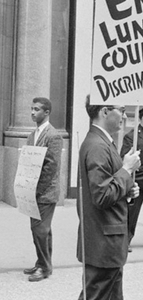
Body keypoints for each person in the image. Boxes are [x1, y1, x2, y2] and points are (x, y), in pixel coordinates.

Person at [77, 95, 141, 300]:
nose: (124, 116)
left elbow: (105, 187)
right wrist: (126, 169)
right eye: (121, 110)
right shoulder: (98, 145)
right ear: (105, 111)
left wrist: (126, 191)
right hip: (104, 243)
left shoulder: (103, 142)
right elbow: (102, 196)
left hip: (106, 242)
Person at [23, 97, 63, 282]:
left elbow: (51, 167)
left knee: (40, 230)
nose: (32, 112)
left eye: (36, 109)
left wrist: (36, 189)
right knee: (39, 230)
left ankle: (45, 268)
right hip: (33, 190)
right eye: (31, 109)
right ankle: (42, 262)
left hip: (45, 192)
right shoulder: (33, 135)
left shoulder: (53, 135)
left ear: (46, 112)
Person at [120, 107, 143, 252]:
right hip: (139, 179)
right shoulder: (132, 136)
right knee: (132, 212)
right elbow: (125, 157)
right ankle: (126, 240)